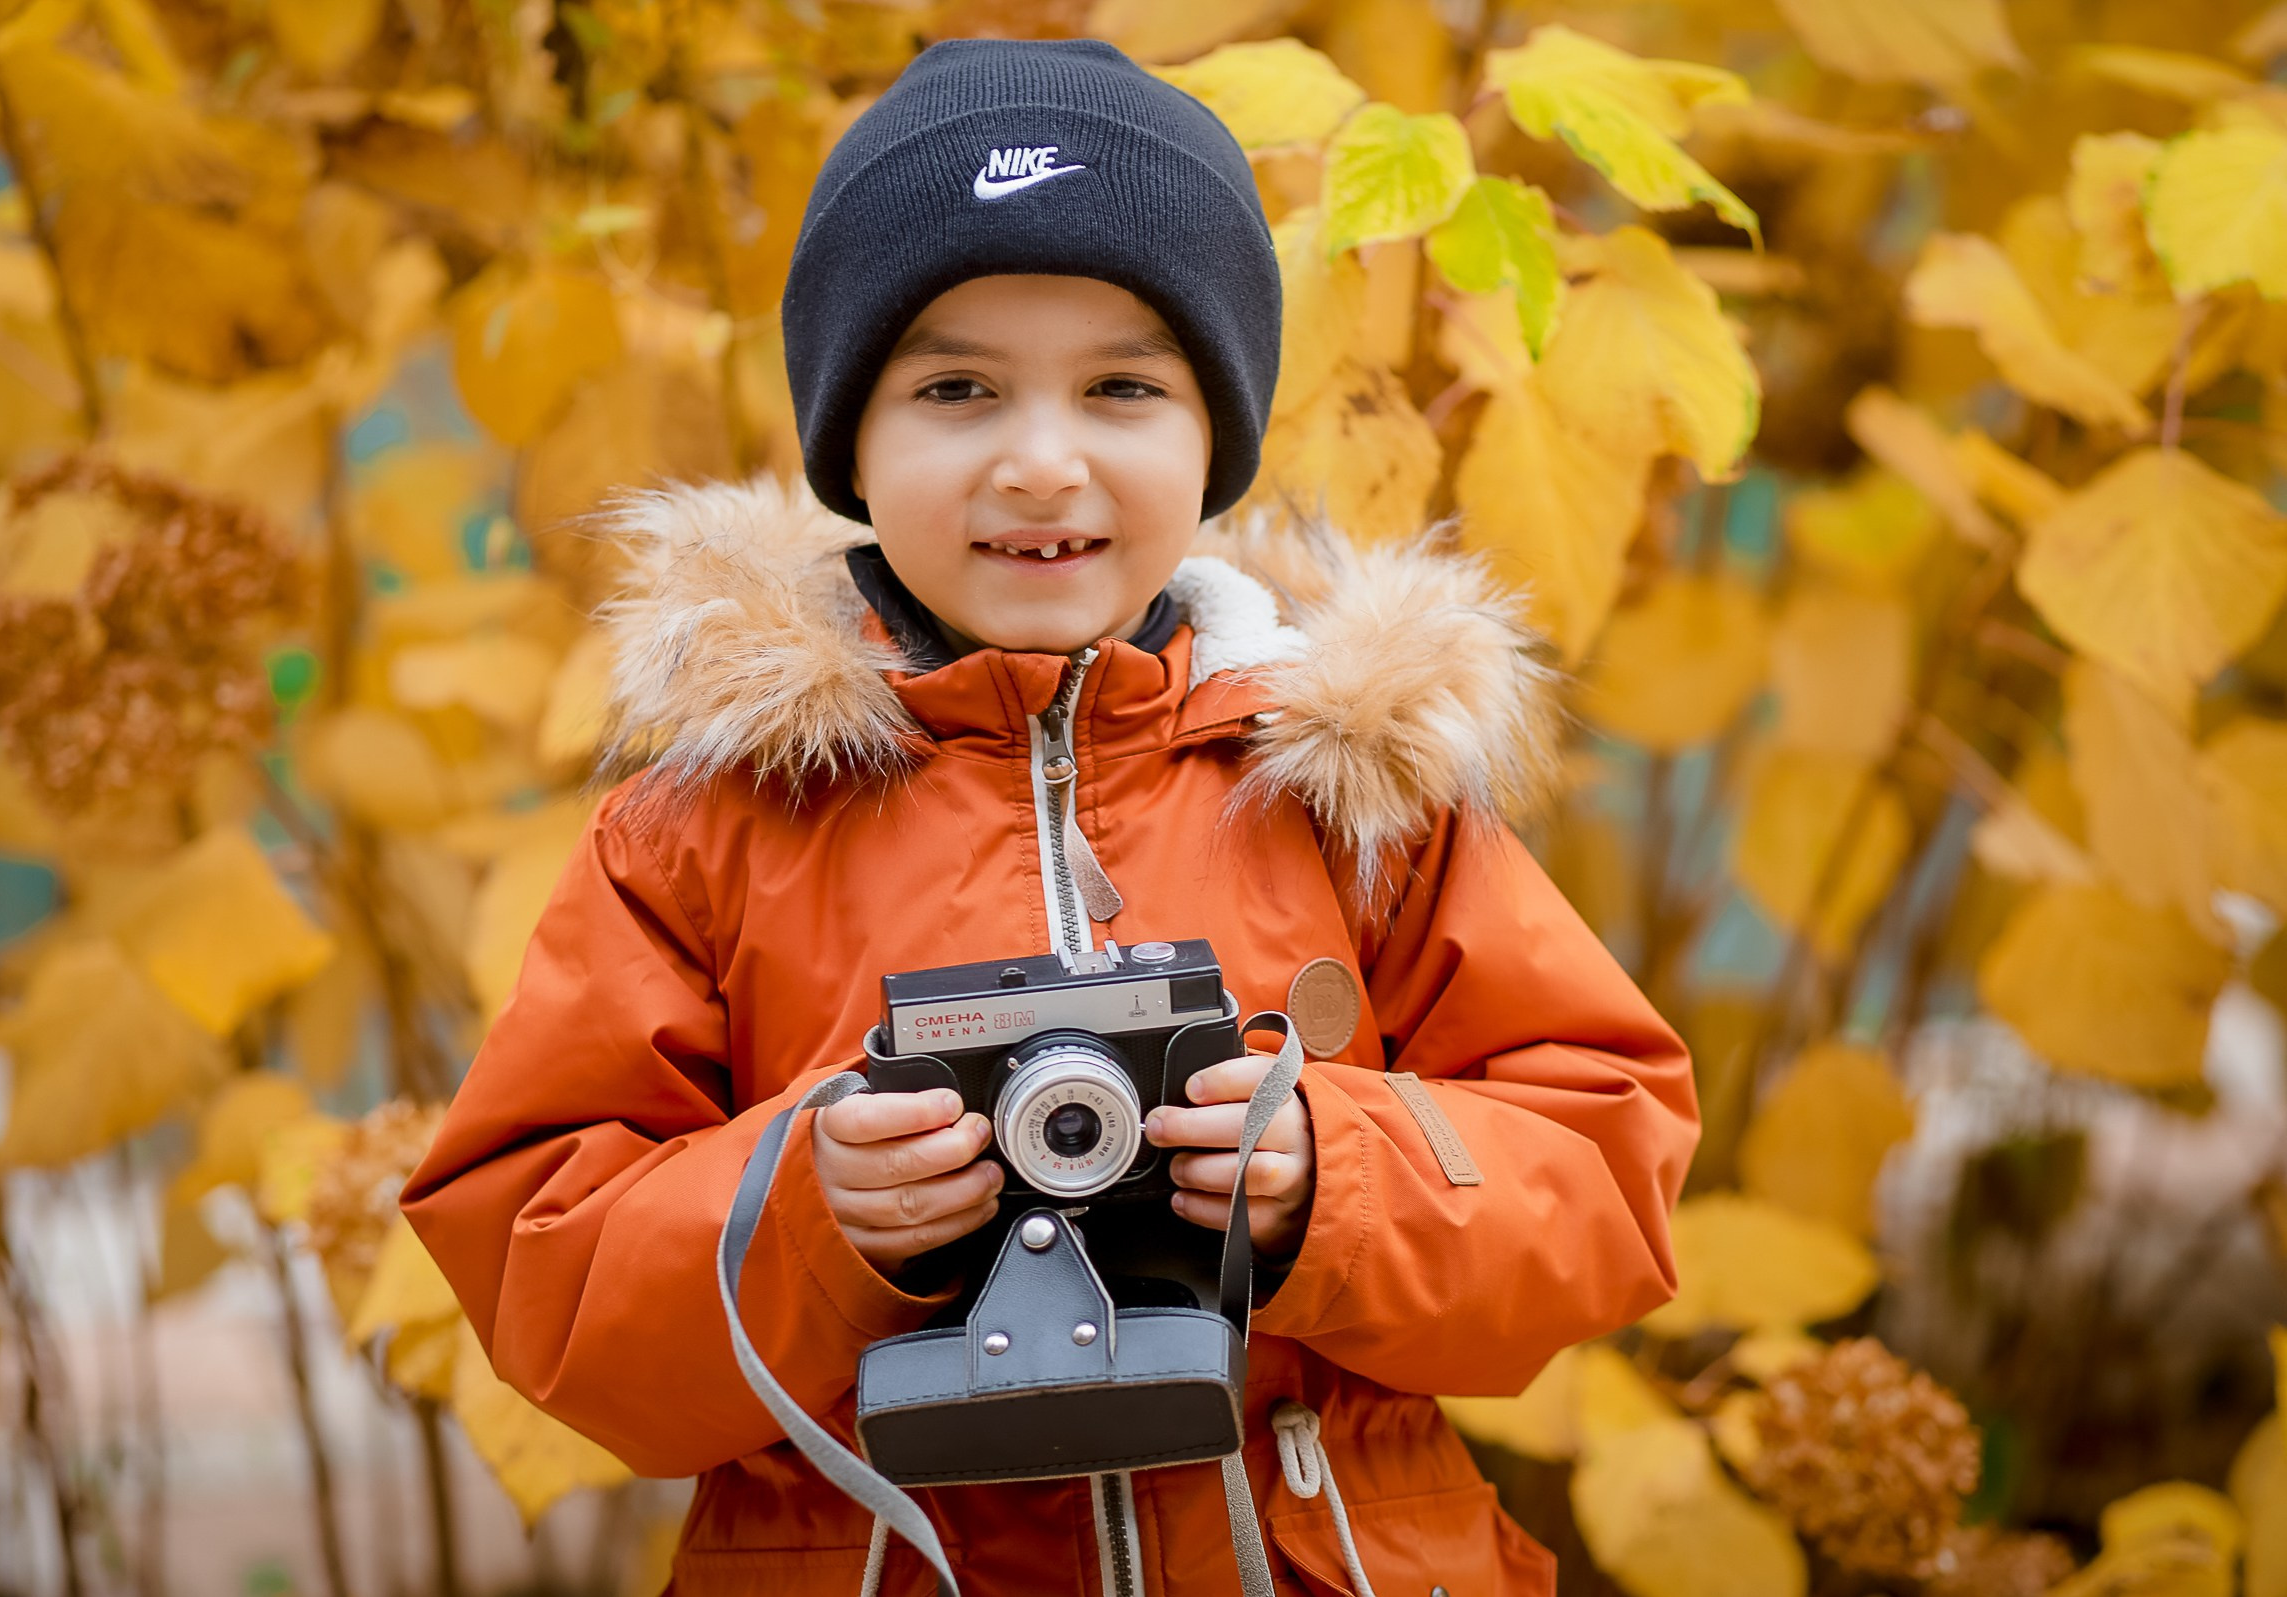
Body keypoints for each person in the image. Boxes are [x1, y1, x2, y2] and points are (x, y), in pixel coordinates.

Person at [402, 36, 1697, 1597]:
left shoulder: (1354, 787)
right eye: (955, 387)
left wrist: (1326, 1178)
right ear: (849, 444)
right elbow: (545, 1273)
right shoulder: (713, 825)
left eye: (1123, 387)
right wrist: (813, 1210)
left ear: (1213, 438)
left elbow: (1607, 1166)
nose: (1039, 459)